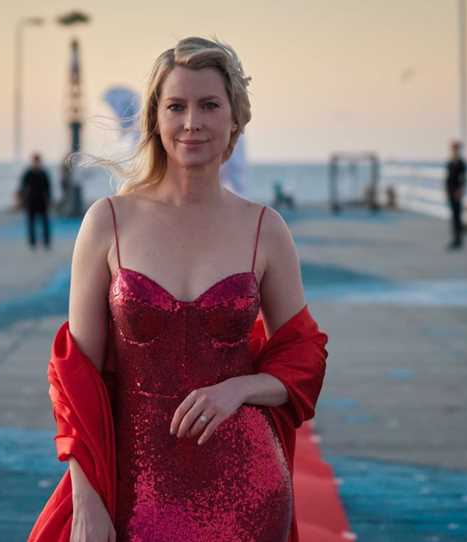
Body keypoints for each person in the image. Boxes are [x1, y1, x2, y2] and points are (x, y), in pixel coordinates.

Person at [29, 37, 329, 542]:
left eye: (209, 105)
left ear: (235, 118)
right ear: (156, 119)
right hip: (132, 488)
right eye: (177, 106)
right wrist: (87, 497)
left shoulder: (265, 229)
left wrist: (239, 388)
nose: (193, 121)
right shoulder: (108, 223)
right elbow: (75, 377)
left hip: (245, 490)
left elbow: (304, 357)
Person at [18, 153, 52, 250]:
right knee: (31, 223)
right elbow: (22, 188)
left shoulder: (43, 173)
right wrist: (21, 201)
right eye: (35, 161)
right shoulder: (28, 173)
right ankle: (32, 243)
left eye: (37, 161)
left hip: (42, 202)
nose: (36, 163)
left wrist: (49, 201)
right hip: (31, 202)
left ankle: (46, 242)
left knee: (45, 223)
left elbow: (48, 189)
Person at [445, 140, 467, 249]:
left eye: (456, 149)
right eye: (453, 149)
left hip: (457, 193)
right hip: (450, 192)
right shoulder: (450, 162)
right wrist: (446, 191)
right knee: (453, 216)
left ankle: (458, 239)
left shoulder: (461, 163)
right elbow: (447, 178)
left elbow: (464, 179)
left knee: (457, 216)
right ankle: (455, 238)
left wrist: (461, 190)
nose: (454, 151)